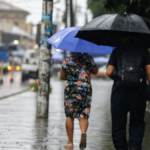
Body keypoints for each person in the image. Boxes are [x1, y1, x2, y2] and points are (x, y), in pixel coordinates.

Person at [106, 36, 150, 150]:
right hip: (138, 92)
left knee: (118, 125)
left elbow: (109, 72)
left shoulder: (117, 50)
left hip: (119, 92)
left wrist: (117, 78)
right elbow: (149, 73)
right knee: (137, 123)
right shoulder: (144, 50)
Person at [60, 52, 98, 149]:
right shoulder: (89, 58)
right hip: (85, 88)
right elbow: (95, 71)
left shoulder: (68, 60)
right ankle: (83, 132)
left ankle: (70, 142)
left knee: (69, 115)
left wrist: (73, 78)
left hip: (71, 88)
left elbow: (62, 76)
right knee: (84, 113)